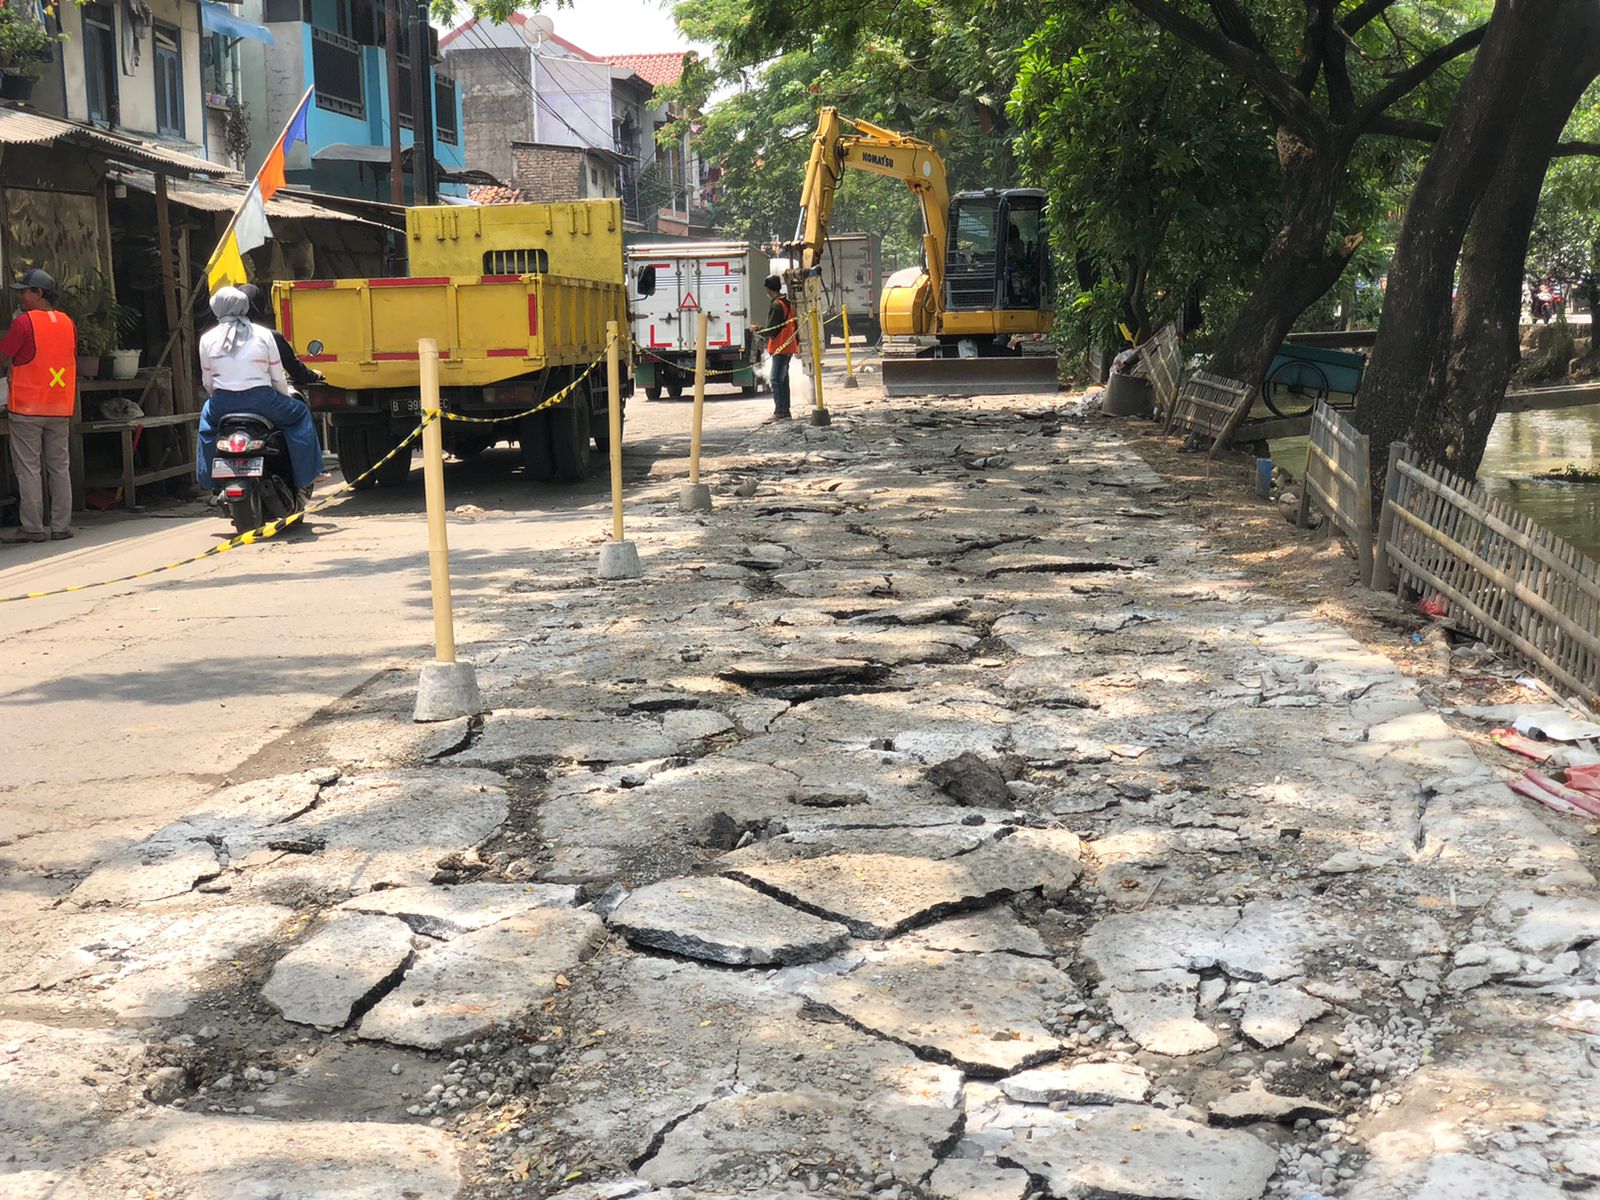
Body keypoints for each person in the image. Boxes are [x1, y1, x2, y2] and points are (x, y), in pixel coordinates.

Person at [195, 287, 322, 500]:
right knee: (299, 414)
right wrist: (283, 397)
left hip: (222, 403)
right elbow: (277, 377)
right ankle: (307, 475)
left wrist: (216, 399)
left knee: (207, 430)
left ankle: (209, 481)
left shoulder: (206, 339)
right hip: (263, 400)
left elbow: (207, 381)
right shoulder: (263, 334)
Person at [0, 268, 77, 544]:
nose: (20, 296)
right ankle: (61, 526)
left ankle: (32, 528)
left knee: (29, 468)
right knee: (59, 467)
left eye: (24, 291)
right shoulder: (67, 322)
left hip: (27, 407)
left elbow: (4, 354)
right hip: (59, 406)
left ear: (39, 293)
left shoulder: (24, 323)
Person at [239, 283, 323, 391]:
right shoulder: (269, 336)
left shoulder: (216, 337)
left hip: (223, 400)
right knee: (300, 408)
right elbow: (295, 371)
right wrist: (314, 375)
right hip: (260, 397)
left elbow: (210, 381)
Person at [764, 275, 797, 419]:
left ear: (768, 289)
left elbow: (771, 329)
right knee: (783, 379)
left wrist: (757, 329)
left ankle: (780, 411)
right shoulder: (788, 303)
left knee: (776, 379)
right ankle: (785, 410)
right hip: (788, 345)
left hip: (780, 346)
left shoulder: (777, 305)